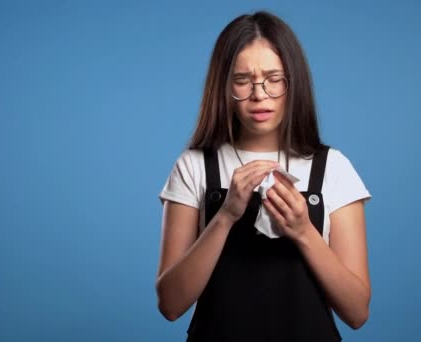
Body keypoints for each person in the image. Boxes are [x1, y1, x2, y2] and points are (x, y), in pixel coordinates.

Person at [155, 11, 372, 341]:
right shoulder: (195, 165)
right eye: (243, 80)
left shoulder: (333, 168)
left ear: (292, 82)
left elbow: (357, 313)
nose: (259, 94)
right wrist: (226, 216)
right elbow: (170, 304)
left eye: (274, 79)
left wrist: (302, 231)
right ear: (224, 86)